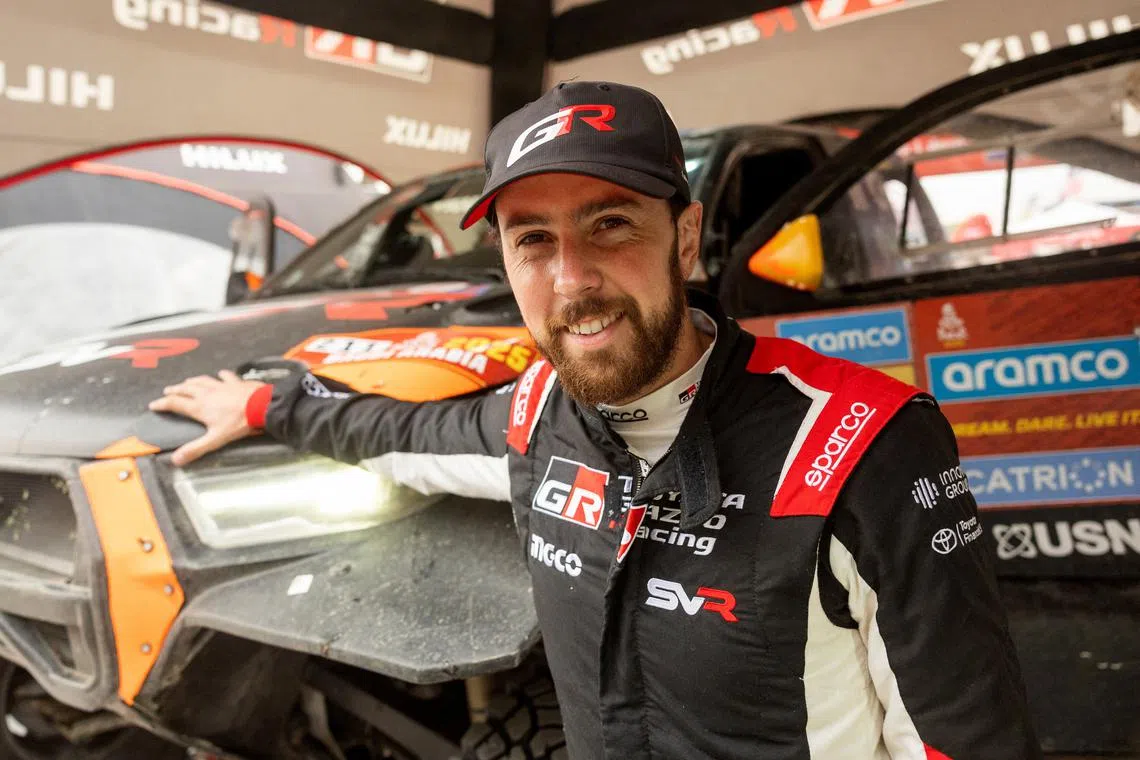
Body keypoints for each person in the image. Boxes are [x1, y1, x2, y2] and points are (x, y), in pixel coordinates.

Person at [150, 81, 1041, 759]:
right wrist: (267, 404)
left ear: (685, 240)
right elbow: (399, 436)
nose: (570, 279)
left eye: (610, 224)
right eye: (533, 239)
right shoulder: (541, 412)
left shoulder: (861, 442)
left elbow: (965, 740)